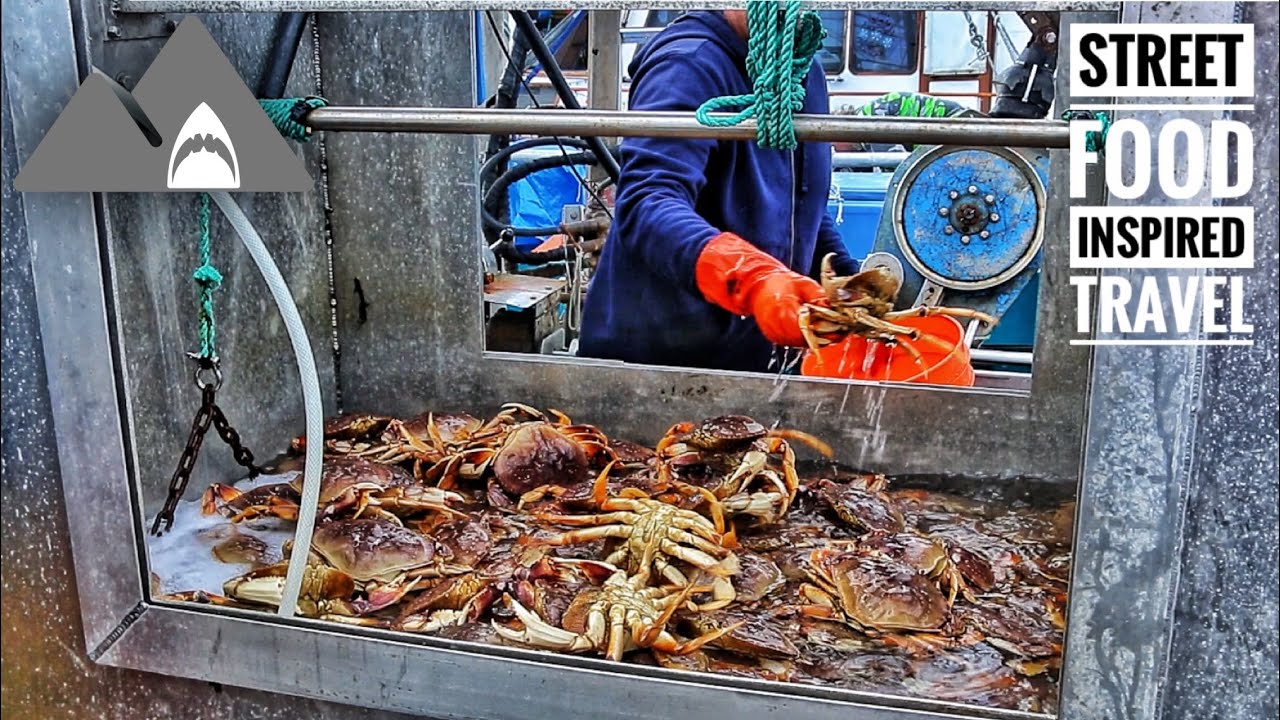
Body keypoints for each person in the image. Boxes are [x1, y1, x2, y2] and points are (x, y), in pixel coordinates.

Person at [577, 9, 859, 373]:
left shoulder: (803, 70)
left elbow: (800, 202)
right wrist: (753, 279)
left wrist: (849, 283)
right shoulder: (687, 64)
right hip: (657, 367)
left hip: (755, 364)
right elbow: (647, 203)